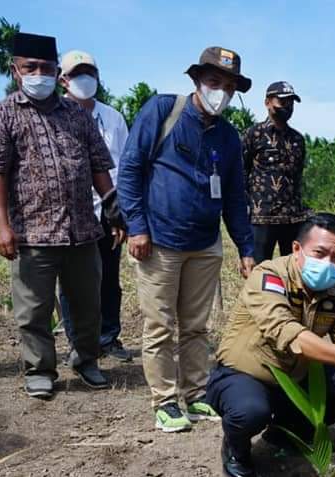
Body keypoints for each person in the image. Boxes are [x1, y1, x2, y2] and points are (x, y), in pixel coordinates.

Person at [206, 212, 335, 477]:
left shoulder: (334, 292)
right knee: (250, 412)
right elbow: (286, 332)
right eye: (320, 253)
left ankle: (284, 432)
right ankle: (235, 448)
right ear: (297, 249)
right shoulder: (268, 276)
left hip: (293, 379)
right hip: (244, 376)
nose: (329, 264)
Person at [116, 46, 256, 432]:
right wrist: (137, 226)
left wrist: (246, 248)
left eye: (229, 87)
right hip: (159, 241)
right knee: (160, 325)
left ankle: (195, 395)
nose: (220, 92)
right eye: (214, 82)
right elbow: (129, 170)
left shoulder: (229, 137)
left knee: (196, 327)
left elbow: (235, 197)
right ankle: (164, 400)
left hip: (205, 245)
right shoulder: (164, 111)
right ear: (196, 80)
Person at [0, 32, 115, 400]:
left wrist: (113, 204)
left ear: (58, 72)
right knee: (33, 310)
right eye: (31, 67)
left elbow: (99, 164)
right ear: (15, 70)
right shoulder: (1, 114)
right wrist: (2, 227)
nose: (40, 74)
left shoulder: (77, 115)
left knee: (88, 305)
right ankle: (40, 369)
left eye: (47, 68)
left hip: (82, 230)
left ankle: (86, 361)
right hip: (31, 234)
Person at [56, 49, 134, 362]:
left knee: (109, 279)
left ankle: (109, 337)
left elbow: (125, 167)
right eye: (76, 74)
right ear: (63, 80)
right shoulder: (56, 116)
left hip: (108, 212)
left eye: (89, 73)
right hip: (71, 212)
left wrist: (122, 214)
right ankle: (78, 342)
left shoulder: (113, 118)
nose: (83, 79)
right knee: (72, 282)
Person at [242, 81, 308, 262]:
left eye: (291, 102)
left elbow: (297, 176)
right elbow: (242, 172)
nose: (287, 107)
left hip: (293, 218)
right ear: (267, 102)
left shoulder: (298, 139)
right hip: (262, 217)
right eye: (283, 101)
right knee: (260, 272)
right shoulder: (253, 134)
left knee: (292, 271)